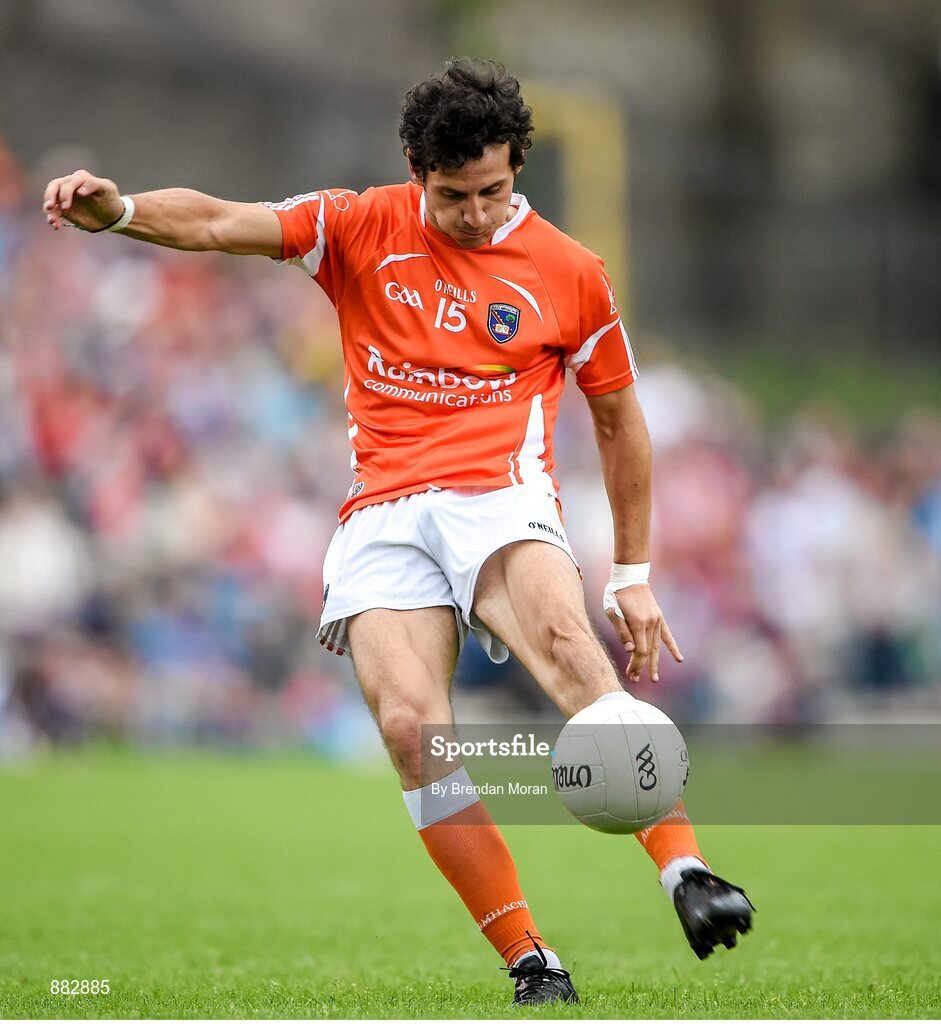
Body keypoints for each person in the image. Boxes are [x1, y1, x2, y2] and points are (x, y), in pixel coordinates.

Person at [43, 58, 753, 1005]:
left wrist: (631, 570)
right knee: (414, 734)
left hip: (500, 497)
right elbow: (219, 222)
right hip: (381, 510)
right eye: (453, 194)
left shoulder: (572, 273)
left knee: (566, 646)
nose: (474, 212)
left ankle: (686, 872)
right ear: (415, 168)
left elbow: (621, 424)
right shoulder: (356, 223)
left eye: (493, 191)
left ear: (516, 169)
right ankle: (530, 962)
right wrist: (121, 212)